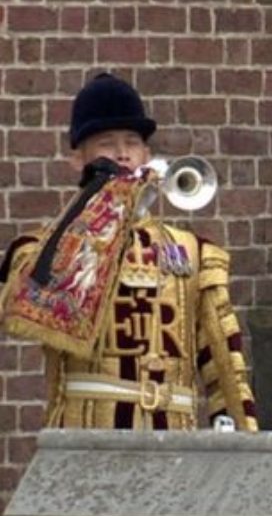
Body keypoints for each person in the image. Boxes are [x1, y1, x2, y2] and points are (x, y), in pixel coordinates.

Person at [0, 72, 257, 431]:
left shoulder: (194, 251)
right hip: (86, 438)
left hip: (175, 443)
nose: (122, 153)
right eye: (106, 143)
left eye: (132, 142)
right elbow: (37, 309)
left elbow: (223, 362)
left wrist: (236, 434)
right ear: (78, 158)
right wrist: (107, 207)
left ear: (146, 155)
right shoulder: (41, 249)